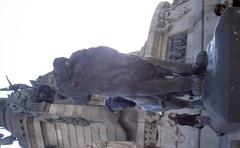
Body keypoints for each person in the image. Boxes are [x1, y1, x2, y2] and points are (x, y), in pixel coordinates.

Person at [53, 46, 208, 103]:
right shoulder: (72, 82)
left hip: (121, 66)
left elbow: (101, 51)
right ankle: (190, 82)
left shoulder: (77, 60)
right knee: (152, 82)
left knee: (155, 66)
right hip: (119, 82)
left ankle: (192, 71)